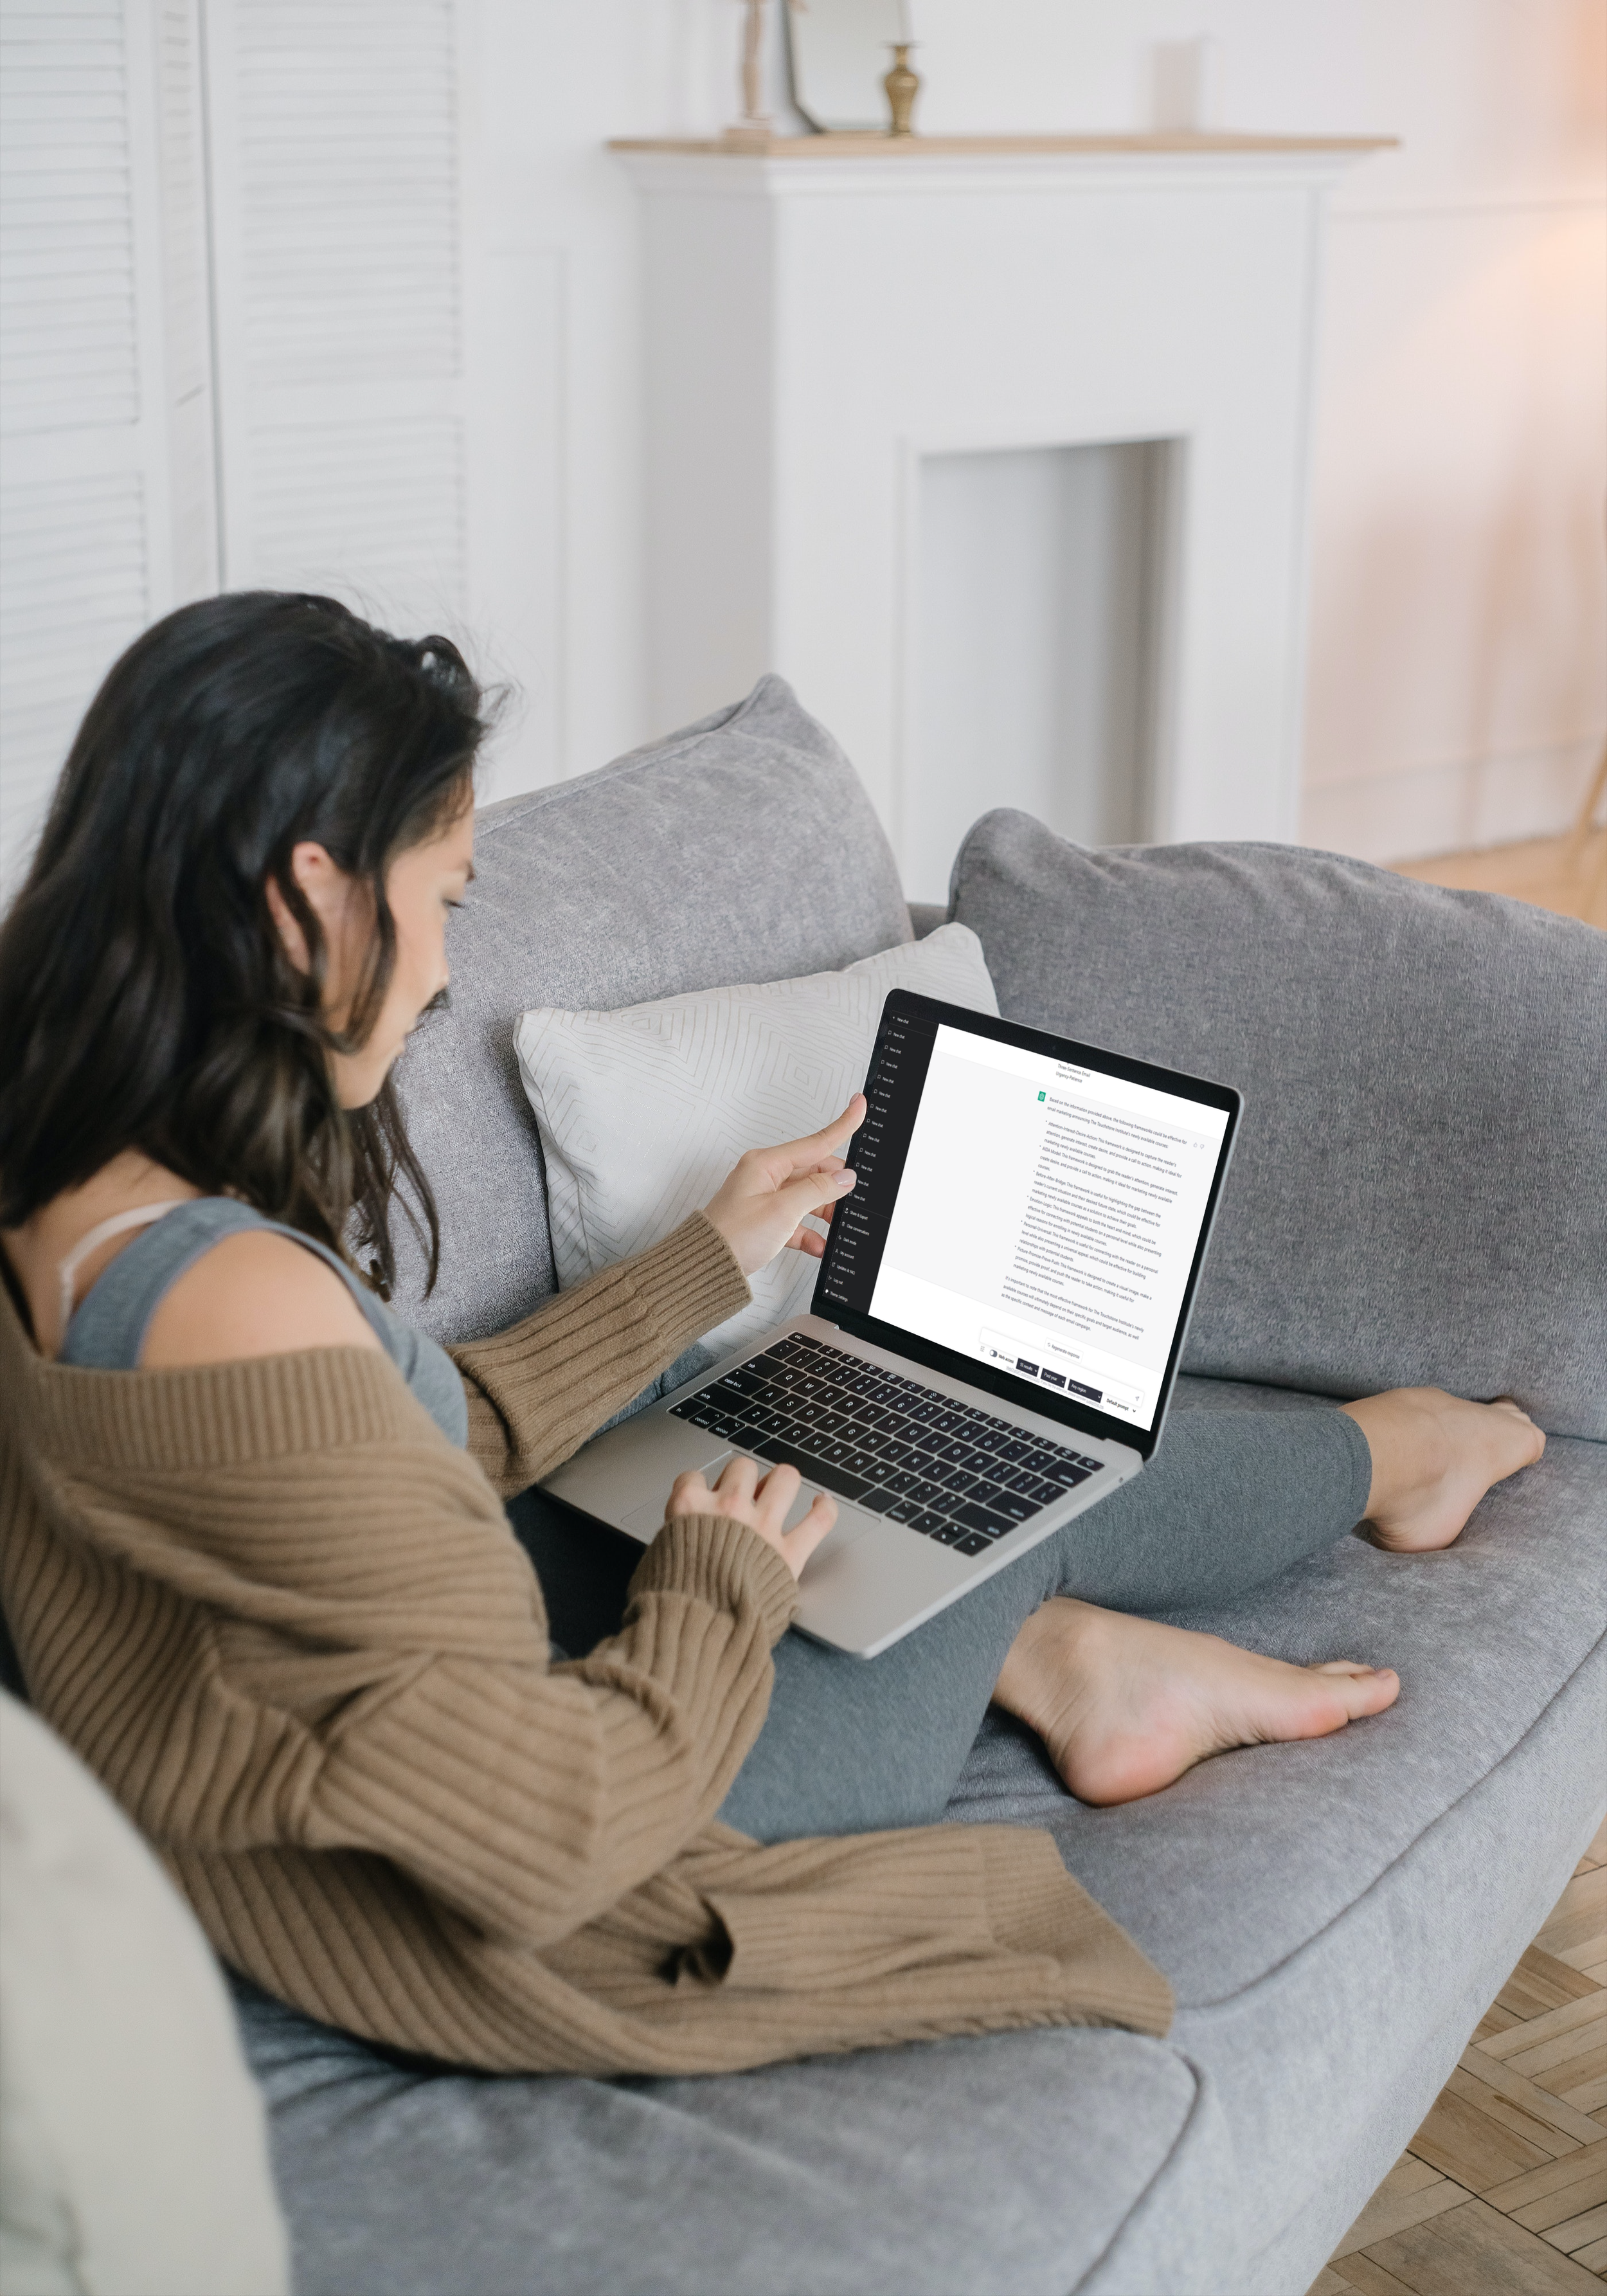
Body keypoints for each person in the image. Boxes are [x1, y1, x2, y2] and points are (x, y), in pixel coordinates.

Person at [0, 593, 1544, 2077]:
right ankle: (1387, 1460)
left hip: (355, 1814)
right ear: (311, 892)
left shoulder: (62, 1199)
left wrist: (698, 1265)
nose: (445, 970)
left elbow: (389, 1448)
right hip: (588, 1886)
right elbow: (557, 1835)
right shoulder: (246, 1306)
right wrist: (714, 1586)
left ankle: (1062, 1663)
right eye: (442, 899)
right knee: (988, 1469)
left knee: (739, 1393)